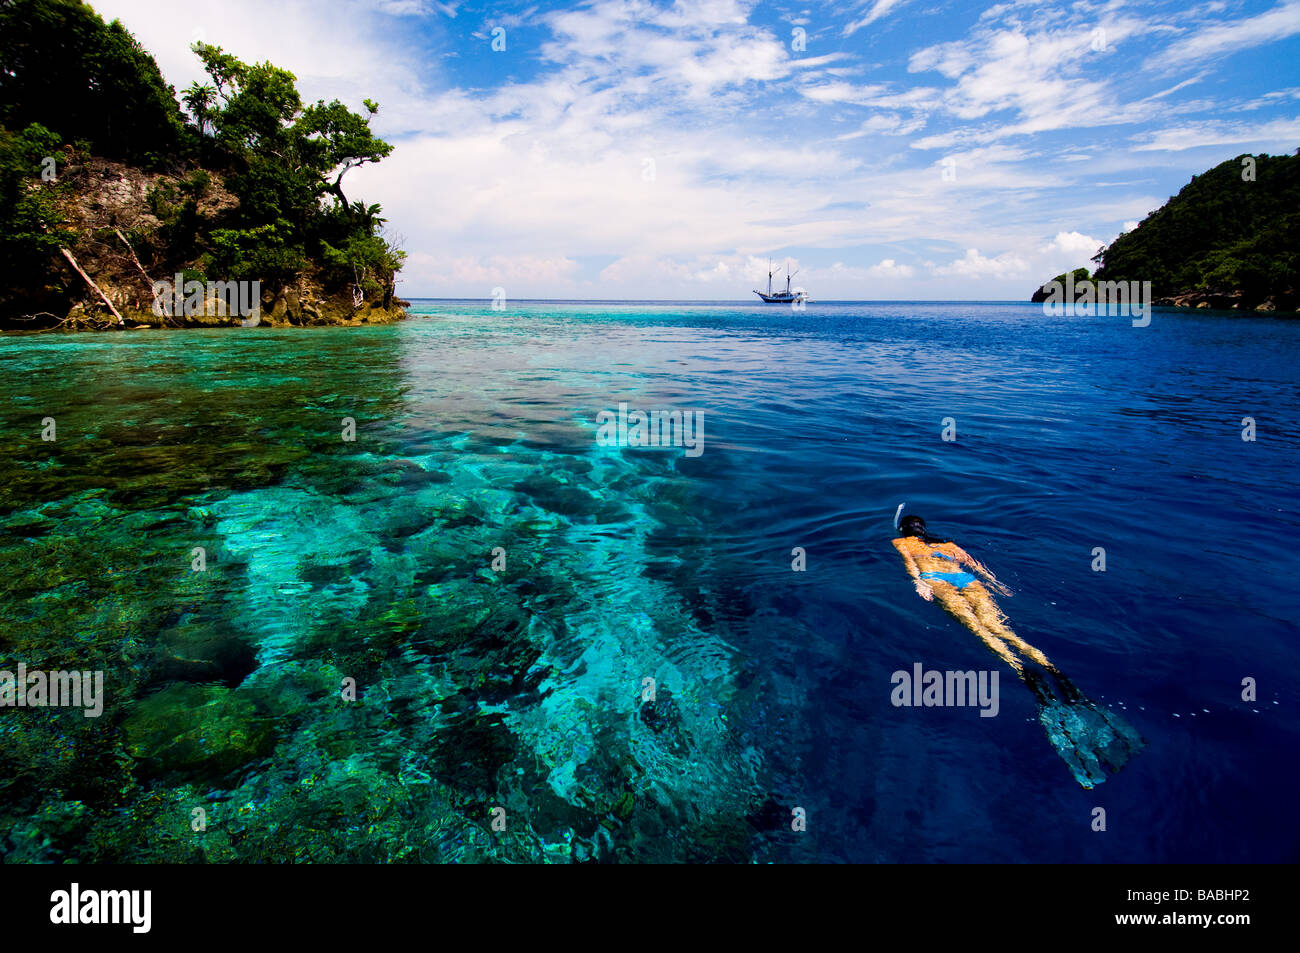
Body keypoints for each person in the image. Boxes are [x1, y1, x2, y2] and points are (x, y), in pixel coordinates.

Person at [892, 512, 1143, 788]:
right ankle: (1052, 670)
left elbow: (911, 566)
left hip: (936, 580)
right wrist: (996, 584)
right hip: (967, 581)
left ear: (904, 530)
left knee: (981, 632)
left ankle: (1021, 670)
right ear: (924, 527)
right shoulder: (949, 545)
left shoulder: (902, 543)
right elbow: (978, 567)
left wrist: (919, 583)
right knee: (1004, 630)